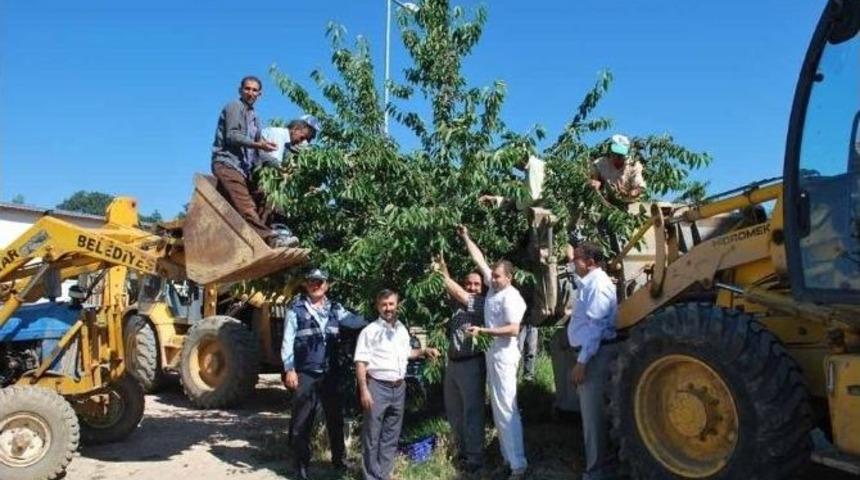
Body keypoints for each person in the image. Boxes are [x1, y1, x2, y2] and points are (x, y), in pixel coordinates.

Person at [281, 268, 367, 480]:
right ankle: (300, 467)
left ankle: (339, 461)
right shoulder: (296, 309)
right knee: (302, 422)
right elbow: (287, 341)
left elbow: (356, 322)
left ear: (326, 285)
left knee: (335, 419)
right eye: (312, 281)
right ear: (306, 284)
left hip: (330, 374)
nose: (316, 285)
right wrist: (289, 369)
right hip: (305, 374)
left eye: (320, 282)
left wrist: (376, 321)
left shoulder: (335, 310)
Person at [458, 225, 528, 480]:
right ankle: (508, 460)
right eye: (493, 276)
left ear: (509, 277)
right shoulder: (495, 288)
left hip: (504, 358)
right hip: (493, 356)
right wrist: (466, 237)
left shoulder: (512, 297)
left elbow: (513, 329)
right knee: (498, 410)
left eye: (497, 277)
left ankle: (518, 465)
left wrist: (483, 331)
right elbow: (479, 260)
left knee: (507, 409)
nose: (492, 279)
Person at [478, 154, 550, 381]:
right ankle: (527, 374)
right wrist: (497, 200)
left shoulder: (538, 170)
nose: (515, 164)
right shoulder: (527, 178)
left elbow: (528, 201)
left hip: (539, 234)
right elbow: (517, 201)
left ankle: (528, 374)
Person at [355, 289, 440, 480]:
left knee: (391, 435)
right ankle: (370, 476)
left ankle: (383, 474)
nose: (388, 308)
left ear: (397, 305)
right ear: (378, 306)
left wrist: (424, 350)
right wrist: (364, 390)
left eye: (391, 304)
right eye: (384, 305)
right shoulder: (370, 332)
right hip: (377, 386)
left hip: (398, 387)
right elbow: (360, 362)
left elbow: (407, 353)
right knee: (372, 435)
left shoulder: (401, 329)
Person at [210, 75, 296, 247]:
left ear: (260, 94)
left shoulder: (255, 117)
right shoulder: (234, 106)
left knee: (267, 196)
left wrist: (280, 168)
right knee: (246, 205)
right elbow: (232, 136)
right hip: (227, 164)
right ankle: (269, 239)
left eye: (254, 90)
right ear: (240, 90)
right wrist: (259, 144)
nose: (250, 93)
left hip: (244, 170)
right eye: (247, 89)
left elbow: (258, 151)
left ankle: (274, 232)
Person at [567, 242, 619, 480]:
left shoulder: (597, 286)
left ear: (590, 262)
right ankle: (600, 467)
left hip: (595, 355)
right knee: (594, 415)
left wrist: (582, 362)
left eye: (576, 258)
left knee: (593, 418)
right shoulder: (589, 283)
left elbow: (596, 328)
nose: (572, 261)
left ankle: (597, 472)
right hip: (592, 353)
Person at [431, 254, 486, 473]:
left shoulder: (481, 304)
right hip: (453, 363)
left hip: (472, 363)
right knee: (454, 410)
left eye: (477, 284)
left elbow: (458, 292)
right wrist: (442, 265)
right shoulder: (458, 303)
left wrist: (439, 272)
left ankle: (475, 456)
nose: (472, 287)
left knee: (473, 411)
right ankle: (461, 451)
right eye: (469, 284)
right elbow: (451, 288)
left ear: (482, 288)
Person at [589, 134, 646, 206]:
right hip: (602, 202)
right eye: (614, 154)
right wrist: (595, 182)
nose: (616, 157)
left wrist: (633, 192)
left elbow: (640, 186)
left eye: (620, 155)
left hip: (625, 204)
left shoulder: (634, 166)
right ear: (610, 151)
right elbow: (593, 178)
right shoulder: (600, 163)